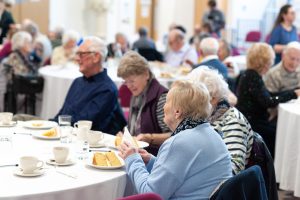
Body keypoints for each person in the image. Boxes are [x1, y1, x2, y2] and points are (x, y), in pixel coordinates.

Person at [119, 80, 232, 200]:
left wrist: (132, 160)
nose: (163, 106)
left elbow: (151, 195)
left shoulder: (179, 143)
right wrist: (152, 162)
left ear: (177, 112)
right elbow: (184, 172)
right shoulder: (211, 133)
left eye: (167, 101)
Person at [236, 43, 300, 157]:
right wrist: (293, 94)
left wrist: (293, 92)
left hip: (251, 120)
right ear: (265, 61)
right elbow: (268, 102)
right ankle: (275, 165)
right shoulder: (253, 77)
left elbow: (268, 95)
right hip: (253, 123)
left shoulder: (251, 74)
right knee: (282, 133)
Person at [52, 36, 126, 134]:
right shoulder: (77, 82)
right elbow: (63, 113)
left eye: (81, 54)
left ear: (96, 57)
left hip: (89, 143)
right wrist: (50, 124)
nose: (77, 58)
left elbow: (84, 123)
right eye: (77, 54)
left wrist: (56, 125)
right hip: (68, 135)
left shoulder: (107, 89)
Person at [188, 66, 253, 175]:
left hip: (216, 187)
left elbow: (234, 169)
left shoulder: (233, 121)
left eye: (194, 98)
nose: (189, 104)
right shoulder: (203, 117)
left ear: (213, 98)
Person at [117, 51, 171, 155]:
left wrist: (150, 138)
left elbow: (174, 136)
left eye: (132, 81)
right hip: (136, 155)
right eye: (126, 81)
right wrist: (124, 135)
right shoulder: (137, 94)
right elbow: (133, 129)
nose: (129, 86)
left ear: (146, 74)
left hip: (155, 158)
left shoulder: (161, 97)